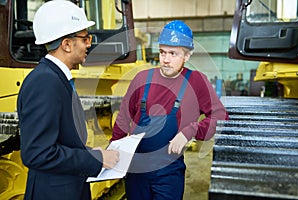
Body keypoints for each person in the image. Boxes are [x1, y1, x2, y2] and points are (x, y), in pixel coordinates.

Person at [111, 20, 229, 200]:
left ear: (187, 55)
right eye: (162, 52)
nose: (165, 60)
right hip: (136, 172)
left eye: (173, 54)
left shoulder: (196, 82)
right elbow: (123, 119)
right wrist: (113, 151)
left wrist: (190, 131)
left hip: (168, 175)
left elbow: (220, 116)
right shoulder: (142, 79)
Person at [17, 1, 119, 200]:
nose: (89, 43)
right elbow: (38, 153)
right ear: (66, 44)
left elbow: (61, 140)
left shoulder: (56, 78)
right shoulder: (45, 82)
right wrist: (95, 158)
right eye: (84, 38)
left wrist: (90, 152)